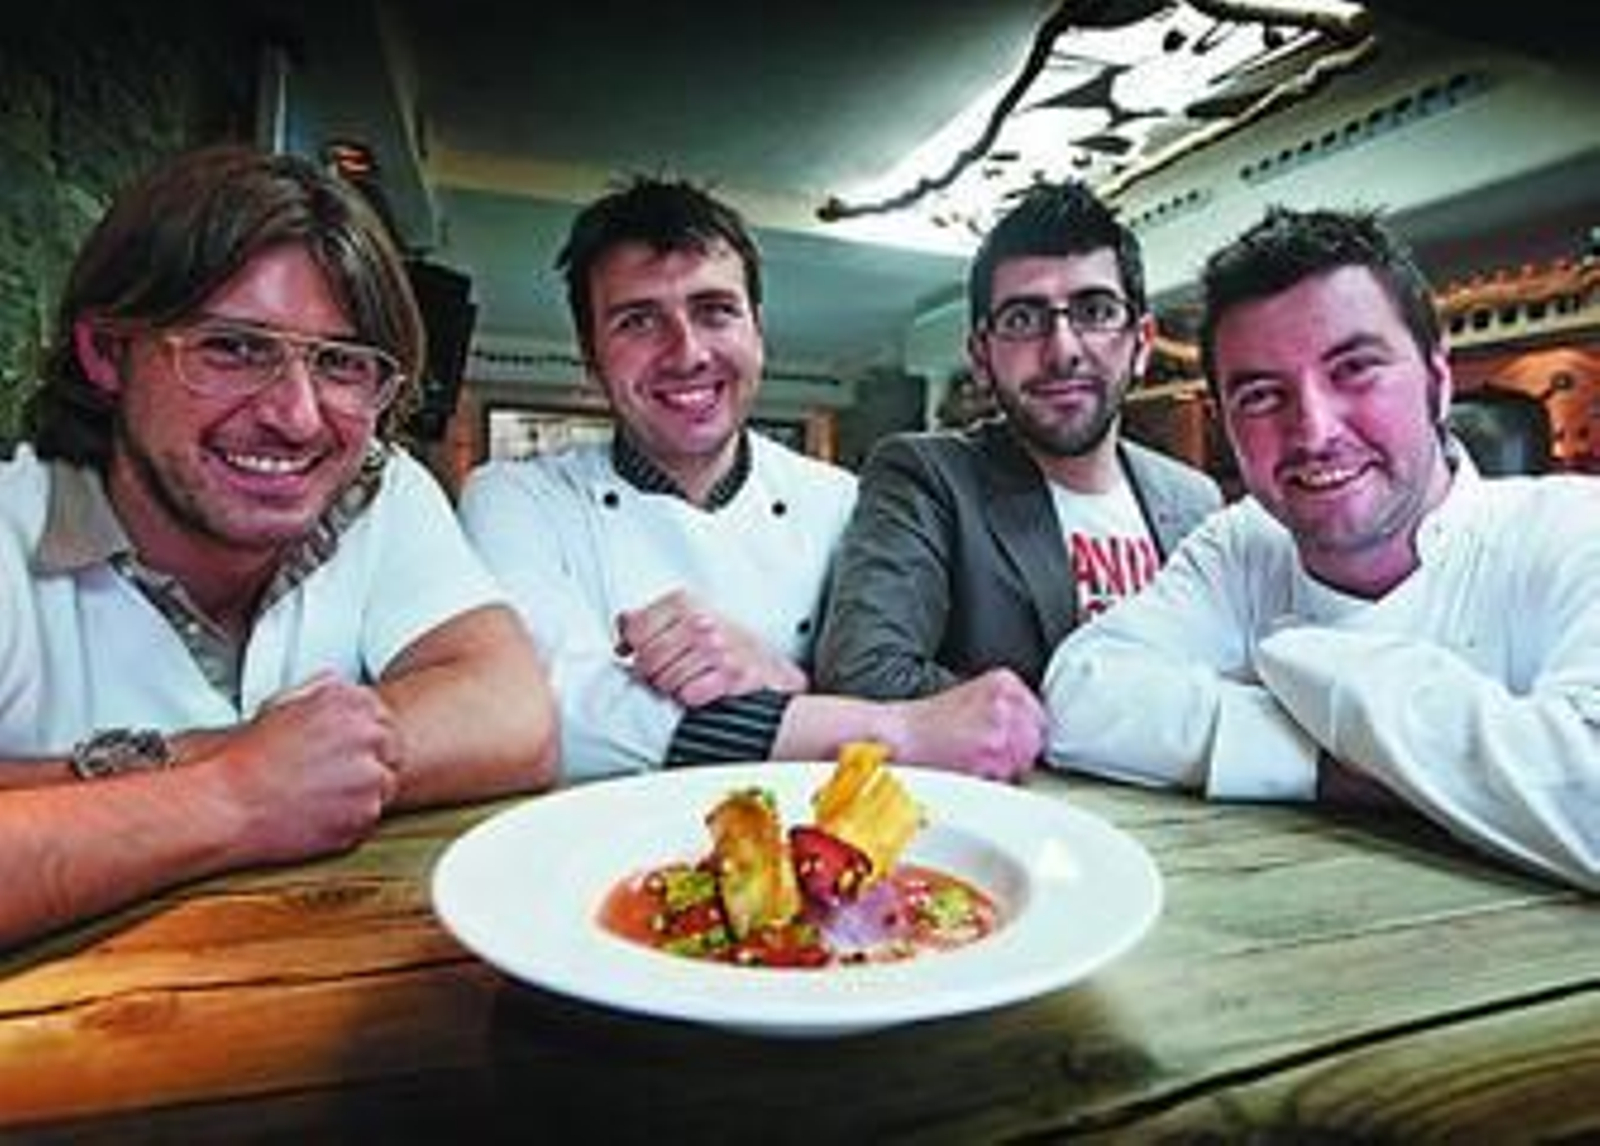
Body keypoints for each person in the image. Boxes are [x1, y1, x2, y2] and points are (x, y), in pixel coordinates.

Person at [0, 145, 559, 947]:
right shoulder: (15, 521)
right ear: (107, 352)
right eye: (233, 347)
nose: (297, 417)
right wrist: (238, 792)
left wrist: (74, 794)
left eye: (340, 363)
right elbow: (275, 778)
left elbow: (512, 712)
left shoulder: (380, 488)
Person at [1042, 205, 1600, 892]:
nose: (1312, 429)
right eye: (1260, 395)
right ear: (1225, 426)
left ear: (1438, 380)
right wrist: (1342, 765)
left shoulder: (1574, 530)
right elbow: (1082, 694)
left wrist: (1304, 666)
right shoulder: (1243, 542)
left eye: (1355, 369)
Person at [458, 176, 1042, 783]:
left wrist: (780, 681)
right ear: (590, 355)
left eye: (715, 311)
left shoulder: (843, 502)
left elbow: (933, 694)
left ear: (757, 330)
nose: (686, 353)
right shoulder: (514, 500)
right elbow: (548, 712)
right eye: (638, 321)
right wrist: (862, 719)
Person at [815, 180, 1221, 699]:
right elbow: (865, 674)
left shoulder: (1195, 501)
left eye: (1095, 311)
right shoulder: (927, 476)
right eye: (1024, 319)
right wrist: (1123, 729)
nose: (1062, 351)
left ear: (1141, 343)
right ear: (982, 357)